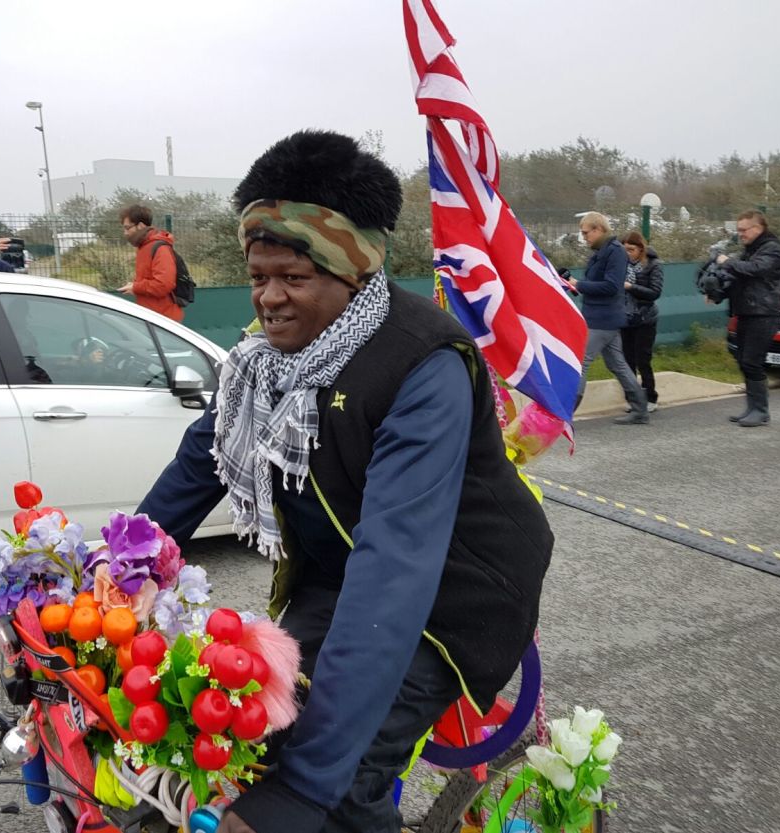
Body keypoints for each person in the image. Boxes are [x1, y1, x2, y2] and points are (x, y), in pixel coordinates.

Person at [136, 130, 553, 833]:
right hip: (337, 582)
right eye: (258, 274)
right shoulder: (260, 361)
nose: (268, 299)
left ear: (353, 272)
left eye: (292, 278)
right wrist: (105, 584)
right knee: (249, 738)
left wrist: (305, 788)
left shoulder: (423, 362)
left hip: (452, 599)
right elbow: (193, 470)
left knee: (337, 783)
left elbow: (395, 568)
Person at [564, 212, 650, 424]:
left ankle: (565, 414)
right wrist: (572, 285)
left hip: (603, 319)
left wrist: (578, 284)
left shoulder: (615, 252)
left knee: (581, 362)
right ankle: (641, 409)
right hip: (603, 317)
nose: (584, 237)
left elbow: (612, 286)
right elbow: (599, 284)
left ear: (598, 229)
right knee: (617, 364)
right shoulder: (603, 251)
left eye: (586, 233)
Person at [716, 210, 780, 427]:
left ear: (758, 228)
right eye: (738, 231)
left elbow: (755, 270)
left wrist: (726, 261)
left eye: (744, 230)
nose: (741, 235)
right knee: (743, 360)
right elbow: (739, 278)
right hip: (748, 312)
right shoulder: (751, 250)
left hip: (764, 313)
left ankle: (760, 411)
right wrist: (718, 291)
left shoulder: (771, 250)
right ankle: (752, 407)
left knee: (752, 361)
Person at [115, 205, 184, 322]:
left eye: (128, 228)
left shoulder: (159, 248)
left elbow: (163, 284)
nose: (125, 233)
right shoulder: (144, 246)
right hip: (152, 317)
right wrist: (135, 287)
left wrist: (136, 287)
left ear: (141, 226)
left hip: (164, 321)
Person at [620, 231, 663, 411]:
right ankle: (634, 399)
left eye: (631, 249)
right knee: (627, 360)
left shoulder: (653, 265)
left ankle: (650, 397)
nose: (627, 253)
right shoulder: (620, 265)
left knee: (642, 359)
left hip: (645, 318)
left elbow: (655, 292)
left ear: (640, 249)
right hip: (625, 317)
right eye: (624, 249)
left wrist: (631, 287)